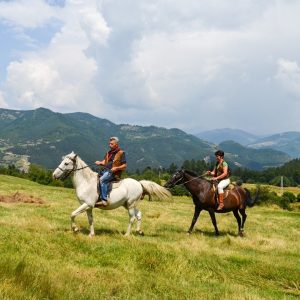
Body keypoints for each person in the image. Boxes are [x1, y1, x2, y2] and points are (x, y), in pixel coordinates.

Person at [95, 137, 127, 206]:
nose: (110, 145)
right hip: (105, 170)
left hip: (113, 173)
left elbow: (124, 165)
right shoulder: (108, 153)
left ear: (116, 144)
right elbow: (105, 162)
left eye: (111, 144)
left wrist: (116, 168)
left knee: (102, 180)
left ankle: (104, 200)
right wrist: (100, 162)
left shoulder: (121, 153)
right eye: (109, 143)